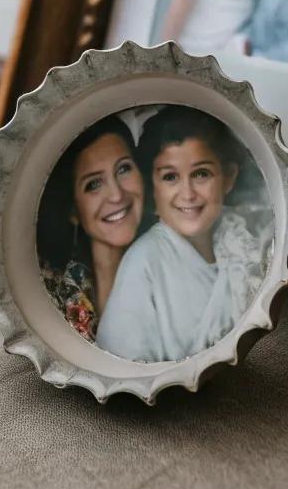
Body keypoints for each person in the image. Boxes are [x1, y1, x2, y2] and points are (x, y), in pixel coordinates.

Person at [95, 108, 269, 363]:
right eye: (170, 177)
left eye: (201, 174)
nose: (187, 194)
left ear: (228, 178)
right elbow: (123, 357)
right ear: (152, 188)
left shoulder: (240, 241)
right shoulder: (145, 261)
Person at [37, 114, 145, 341]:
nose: (116, 195)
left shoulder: (174, 262)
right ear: (73, 210)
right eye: (93, 184)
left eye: (124, 169)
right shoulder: (50, 294)